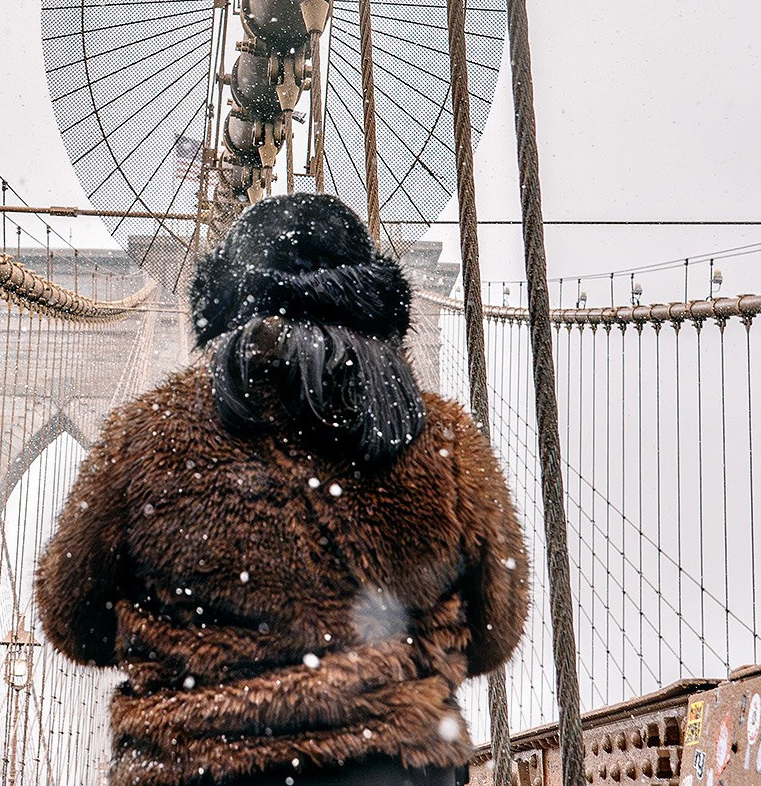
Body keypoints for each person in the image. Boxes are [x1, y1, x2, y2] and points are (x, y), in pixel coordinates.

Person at [34, 193, 528, 786]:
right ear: (371, 299)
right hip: (392, 770)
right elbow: (496, 630)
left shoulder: (145, 437)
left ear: (229, 298)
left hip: (197, 769)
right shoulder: (443, 443)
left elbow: (71, 618)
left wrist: (197, 651)